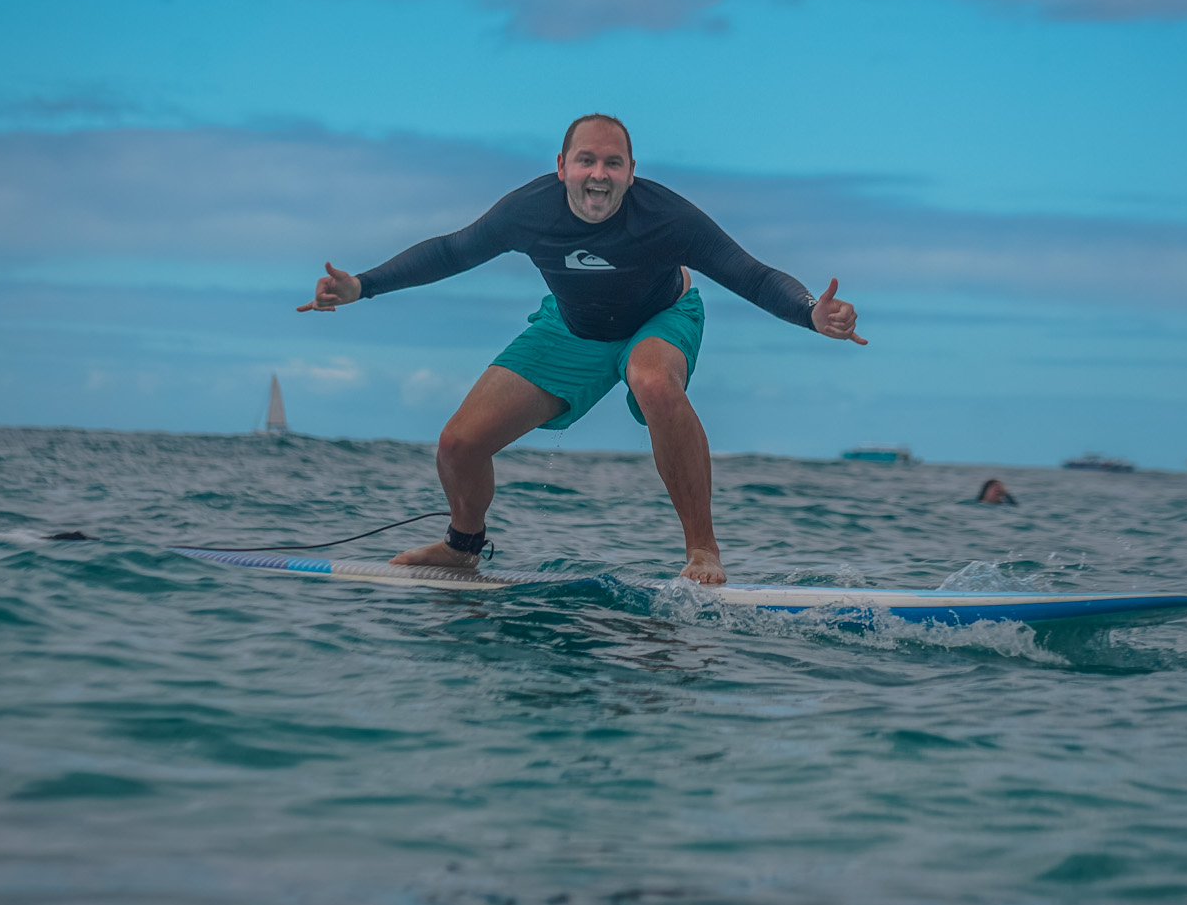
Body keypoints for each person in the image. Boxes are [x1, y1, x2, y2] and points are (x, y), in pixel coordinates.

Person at [299, 114, 865, 584]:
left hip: (661, 320)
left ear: (631, 173)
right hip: (570, 329)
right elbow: (452, 251)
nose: (600, 174)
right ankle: (462, 545)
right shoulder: (528, 211)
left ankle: (703, 551)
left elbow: (751, 274)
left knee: (652, 381)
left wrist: (810, 312)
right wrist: (363, 286)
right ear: (562, 167)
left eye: (613, 163)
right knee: (458, 443)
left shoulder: (667, 217)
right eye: (587, 161)